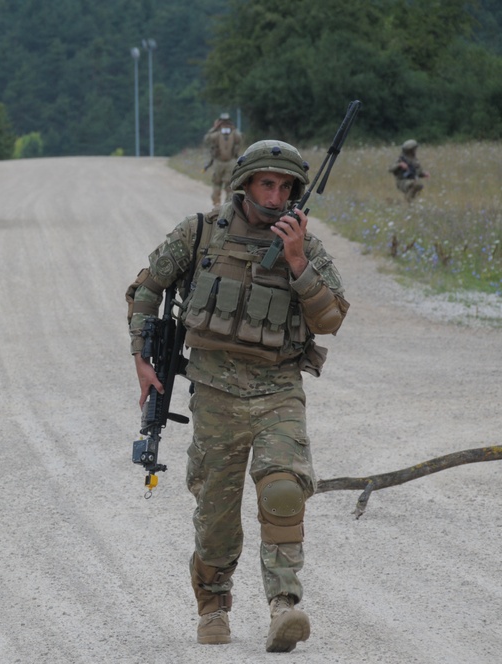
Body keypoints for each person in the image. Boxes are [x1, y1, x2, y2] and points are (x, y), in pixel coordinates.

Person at [125, 140, 349, 652]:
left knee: (284, 491)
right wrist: (141, 357)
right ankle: (213, 605)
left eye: (285, 187)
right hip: (217, 396)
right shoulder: (200, 233)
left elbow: (331, 318)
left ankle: (284, 607)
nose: (276, 196)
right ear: (243, 184)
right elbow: (146, 287)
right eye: (266, 184)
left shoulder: (304, 246)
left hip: (278, 390)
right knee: (216, 513)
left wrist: (297, 262)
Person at [203, 113, 244, 207]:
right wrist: (233, 128)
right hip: (229, 162)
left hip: (220, 162)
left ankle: (217, 204)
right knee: (229, 186)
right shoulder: (234, 133)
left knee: (218, 184)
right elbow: (240, 139)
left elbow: (207, 139)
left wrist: (214, 128)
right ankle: (227, 205)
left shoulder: (216, 134)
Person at [389, 139, 430, 204]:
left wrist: (424, 174)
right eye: (414, 149)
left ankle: (408, 202)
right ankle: (407, 202)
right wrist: (399, 165)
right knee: (416, 184)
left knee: (419, 186)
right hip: (402, 181)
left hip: (412, 180)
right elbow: (390, 169)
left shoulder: (415, 160)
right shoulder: (400, 159)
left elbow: (417, 172)